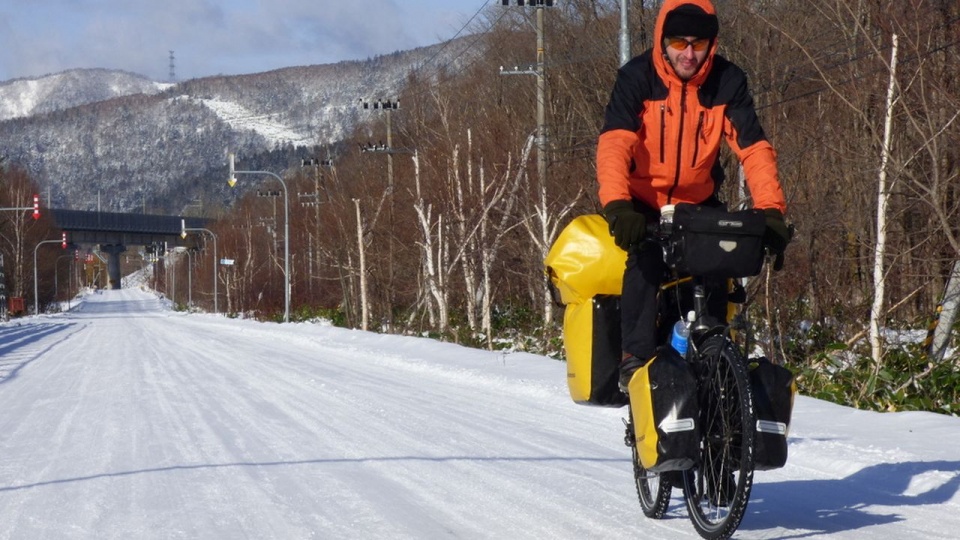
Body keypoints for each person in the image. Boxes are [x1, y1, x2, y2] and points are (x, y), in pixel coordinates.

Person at [595, 0, 790, 392]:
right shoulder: (637, 77)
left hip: (697, 205)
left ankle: (714, 360)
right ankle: (634, 361)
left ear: (711, 44)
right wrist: (617, 205)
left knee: (717, 271)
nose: (688, 54)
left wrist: (771, 211)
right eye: (678, 43)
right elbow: (615, 143)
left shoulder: (727, 81)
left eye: (698, 44)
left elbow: (753, 149)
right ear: (661, 40)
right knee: (645, 264)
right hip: (643, 203)